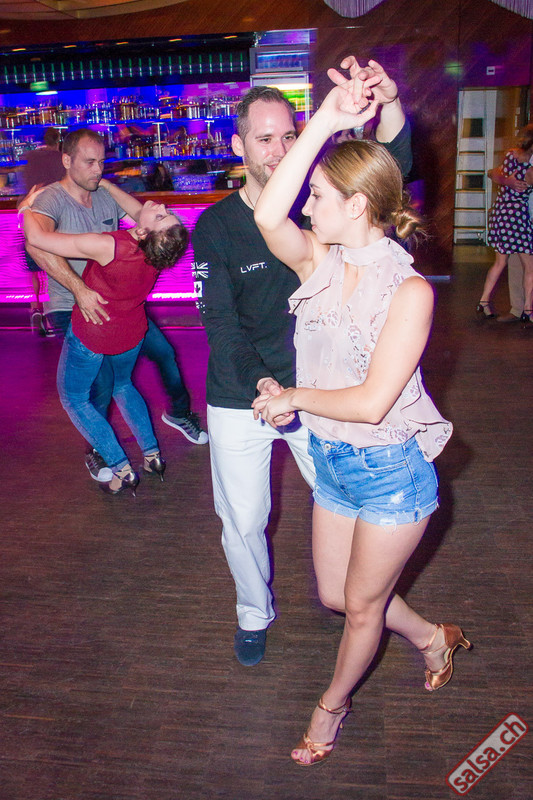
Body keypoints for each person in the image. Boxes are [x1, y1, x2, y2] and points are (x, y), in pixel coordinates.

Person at [252, 58, 469, 766]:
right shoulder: (318, 264)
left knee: (362, 608)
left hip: (391, 475)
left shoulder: (410, 293)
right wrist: (325, 119)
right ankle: (433, 635)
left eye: (318, 194)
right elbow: (265, 214)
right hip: (332, 465)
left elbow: (374, 403)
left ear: (355, 205)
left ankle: (331, 707)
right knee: (337, 596)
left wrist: (292, 397)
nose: (305, 206)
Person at [191, 59, 412, 667]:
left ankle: (359, 601)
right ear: (238, 146)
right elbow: (220, 325)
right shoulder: (215, 228)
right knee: (244, 520)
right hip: (241, 393)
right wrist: (261, 382)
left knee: (351, 504)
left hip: (321, 394)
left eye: (289, 135)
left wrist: (391, 104)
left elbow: (392, 175)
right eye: (264, 138)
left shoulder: (321, 208)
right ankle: (253, 612)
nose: (279, 149)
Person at [24, 128, 207, 483]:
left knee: (140, 366)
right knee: (111, 384)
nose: (98, 169)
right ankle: (119, 452)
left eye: (101, 163)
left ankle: (123, 459)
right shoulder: (54, 201)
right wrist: (78, 288)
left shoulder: (117, 235)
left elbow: (36, 238)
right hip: (87, 306)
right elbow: (38, 247)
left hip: (113, 314)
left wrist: (25, 210)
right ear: (67, 161)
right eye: (91, 162)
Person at [477, 124, 533, 322]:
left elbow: (492, 172)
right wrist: (507, 180)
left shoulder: (510, 156)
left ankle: (484, 301)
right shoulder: (528, 168)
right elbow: (493, 173)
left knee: (500, 262)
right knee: (529, 267)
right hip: (518, 217)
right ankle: (527, 310)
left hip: (502, 214)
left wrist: (505, 180)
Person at [18, 127, 65, 335]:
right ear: (58, 141)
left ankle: (36, 308)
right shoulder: (61, 159)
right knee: (53, 267)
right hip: (50, 216)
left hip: (28, 215)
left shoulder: (30, 158)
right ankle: (54, 315)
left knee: (34, 270)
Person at [487, 157, 533, 323]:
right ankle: (519, 309)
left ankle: (524, 310)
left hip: (522, 217)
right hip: (521, 219)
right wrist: (506, 181)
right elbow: (492, 173)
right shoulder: (522, 156)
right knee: (516, 264)